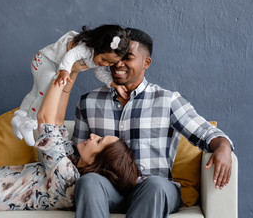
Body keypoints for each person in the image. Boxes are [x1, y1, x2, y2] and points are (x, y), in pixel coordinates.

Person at [0, 62, 140, 215]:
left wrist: (65, 65)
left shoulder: (67, 179)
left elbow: (45, 119)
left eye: (99, 142)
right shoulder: (71, 163)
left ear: (97, 162)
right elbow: (56, 120)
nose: (93, 135)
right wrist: (72, 73)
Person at [72, 28, 234, 218]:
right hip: (108, 190)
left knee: (154, 185)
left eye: (128, 57)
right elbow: (77, 154)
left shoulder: (167, 100)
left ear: (146, 62)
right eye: (118, 57)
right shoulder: (89, 102)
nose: (119, 64)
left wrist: (223, 146)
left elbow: (205, 132)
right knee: (89, 181)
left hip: (155, 190)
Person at [12, 24, 130, 146]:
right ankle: (29, 122)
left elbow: (101, 73)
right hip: (45, 62)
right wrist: (65, 70)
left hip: (48, 64)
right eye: (104, 59)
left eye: (110, 63)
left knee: (35, 92)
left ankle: (19, 116)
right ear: (98, 47)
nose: (105, 64)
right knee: (43, 94)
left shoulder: (99, 59)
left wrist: (113, 84)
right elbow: (71, 55)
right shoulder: (85, 48)